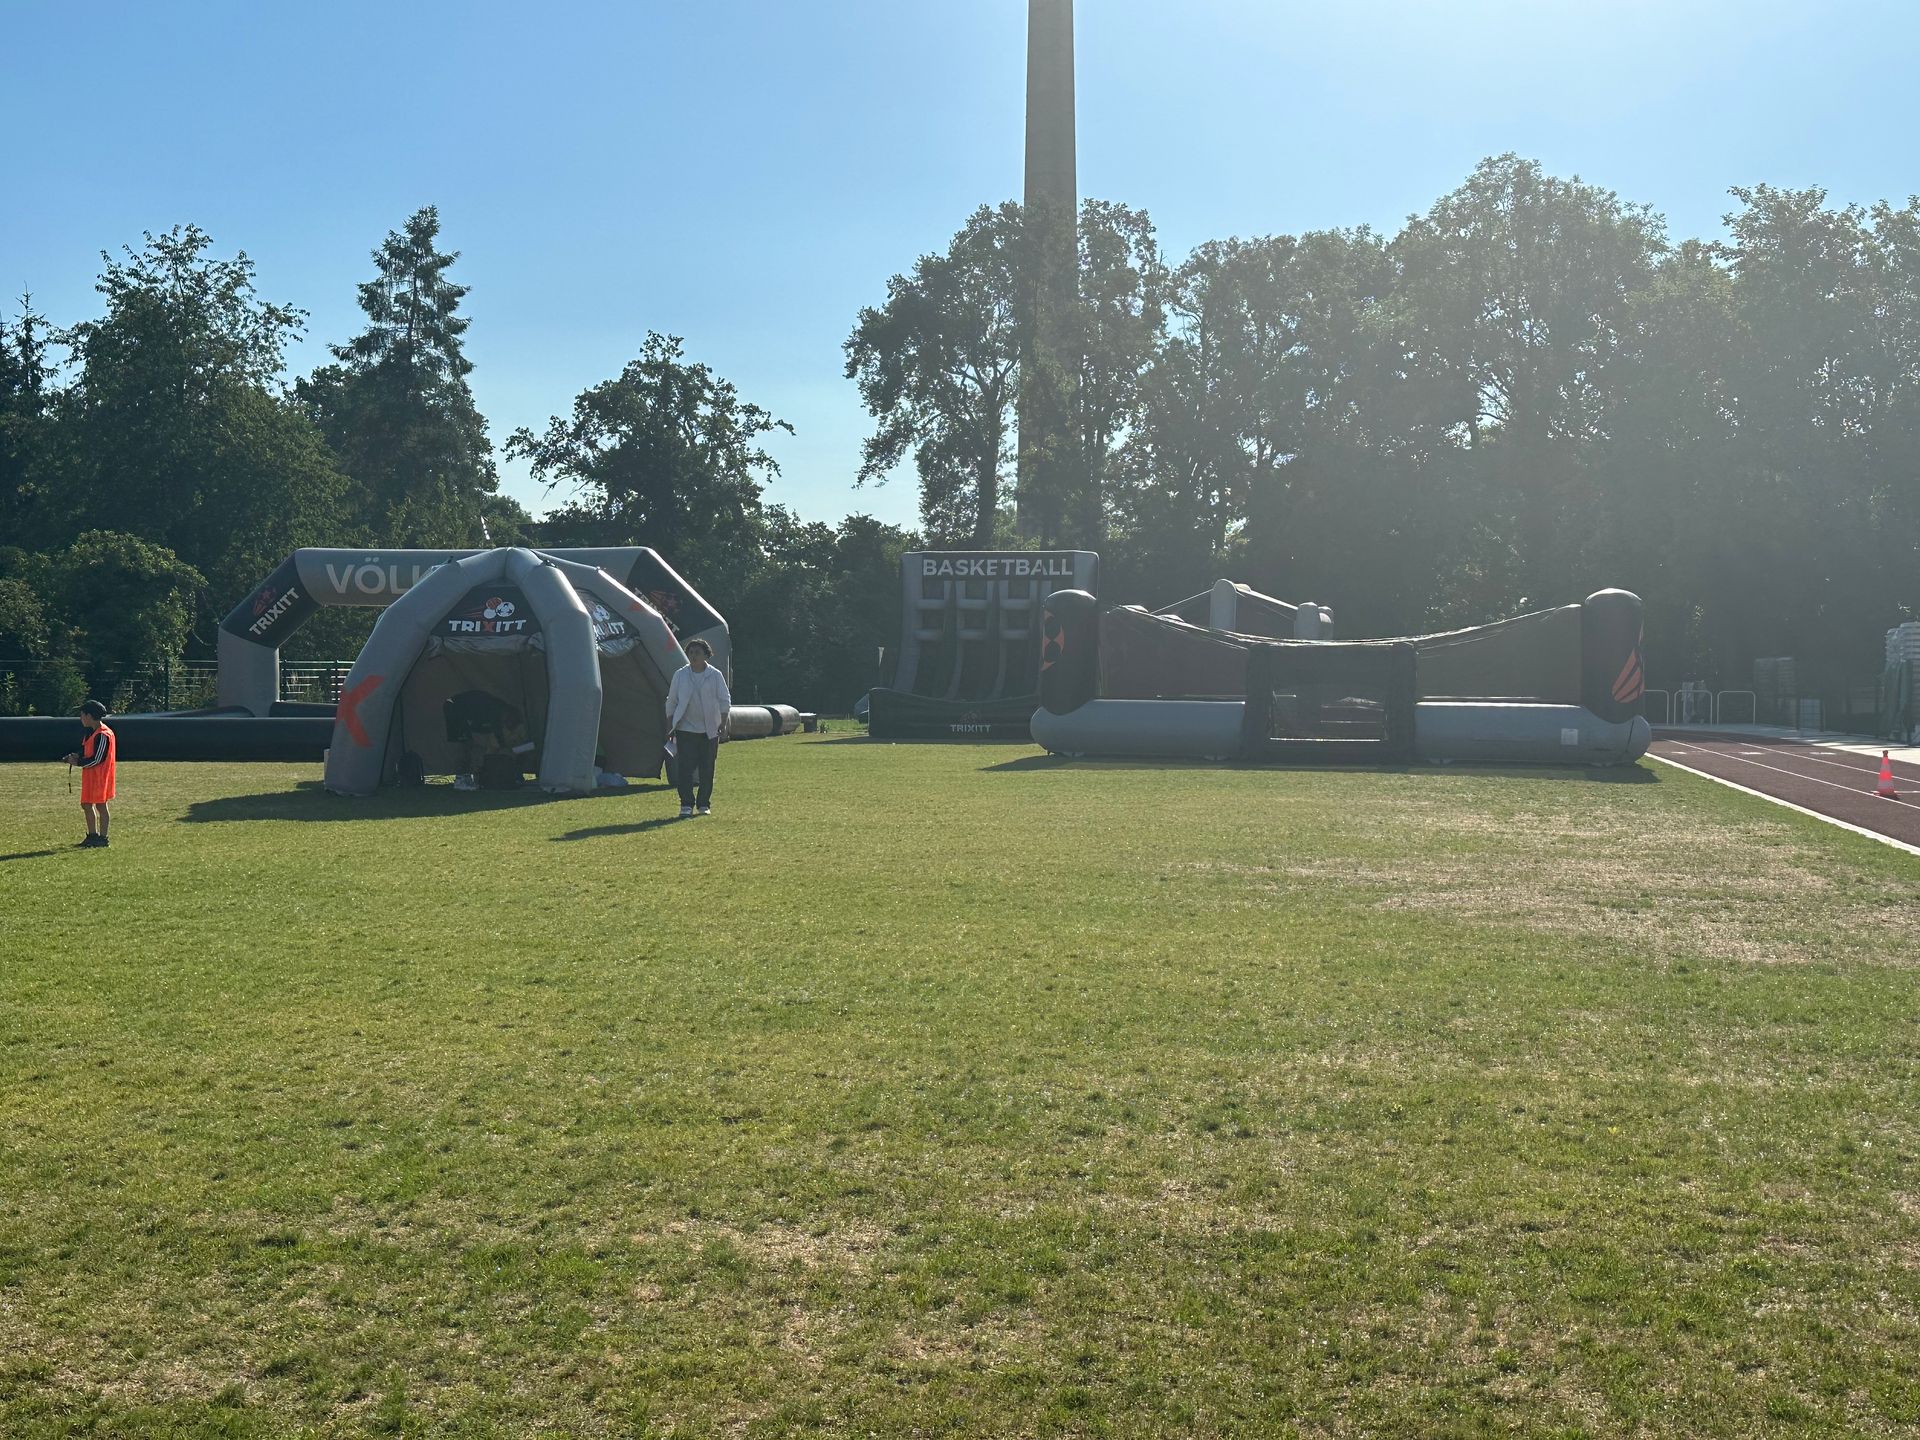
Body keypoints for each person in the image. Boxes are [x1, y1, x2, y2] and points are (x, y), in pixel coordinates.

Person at [664, 638, 730, 817]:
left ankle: (703, 804)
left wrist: (723, 722)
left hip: (709, 730)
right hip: (685, 729)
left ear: (706, 655)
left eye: (697, 653)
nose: (693, 656)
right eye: (691, 652)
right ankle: (686, 804)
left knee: (707, 768)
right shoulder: (680, 675)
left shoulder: (715, 675)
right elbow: (672, 701)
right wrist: (670, 725)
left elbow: (724, 700)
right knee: (685, 768)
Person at [62, 700, 116, 848]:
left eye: (82, 715)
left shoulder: (103, 734)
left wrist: (78, 762)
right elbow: (86, 750)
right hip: (90, 777)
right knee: (86, 804)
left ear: (89, 716)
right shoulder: (90, 732)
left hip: (100, 777)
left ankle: (103, 838)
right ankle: (92, 836)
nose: (81, 718)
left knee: (101, 805)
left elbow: (97, 759)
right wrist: (76, 755)